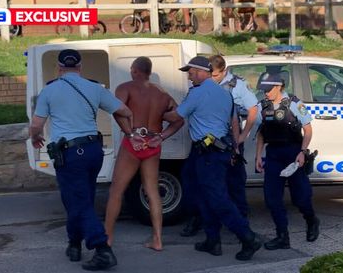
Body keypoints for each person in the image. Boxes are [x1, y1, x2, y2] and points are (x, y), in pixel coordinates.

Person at [29, 49, 133, 271]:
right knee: (80, 198)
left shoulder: (49, 91)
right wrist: (131, 131)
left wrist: (35, 137)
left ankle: (102, 249)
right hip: (93, 151)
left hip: (69, 154)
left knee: (78, 201)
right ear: (80, 67)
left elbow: (36, 124)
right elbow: (124, 110)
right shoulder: (94, 88)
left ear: (58, 68)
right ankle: (74, 245)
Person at [164, 56, 262, 261]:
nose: (189, 78)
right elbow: (234, 122)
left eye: (190, 73)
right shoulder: (225, 93)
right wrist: (236, 148)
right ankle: (212, 240)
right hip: (220, 151)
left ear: (201, 72)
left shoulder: (197, 93)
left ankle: (248, 237)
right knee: (204, 195)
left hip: (208, 154)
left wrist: (157, 109)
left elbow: (176, 117)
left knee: (217, 199)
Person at [104, 57, 183, 251]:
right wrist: (162, 136)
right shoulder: (163, 94)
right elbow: (179, 120)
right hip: (153, 143)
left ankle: (107, 239)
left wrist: (130, 134)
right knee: (153, 191)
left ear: (134, 70)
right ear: (149, 71)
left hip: (135, 141)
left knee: (116, 191)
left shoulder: (125, 87)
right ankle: (157, 239)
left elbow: (117, 110)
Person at [255, 72, 320, 250]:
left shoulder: (294, 103)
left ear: (278, 87)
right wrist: (258, 156)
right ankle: (282, 236)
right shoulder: (263, 105)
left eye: (268, 89)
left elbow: (308, 130)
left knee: (301, 197)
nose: (265, 93)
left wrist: (302, 152)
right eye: (263, 90)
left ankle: (312, 220)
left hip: (293, 153)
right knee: (272, 199)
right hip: (274, 155)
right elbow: (261, 133)